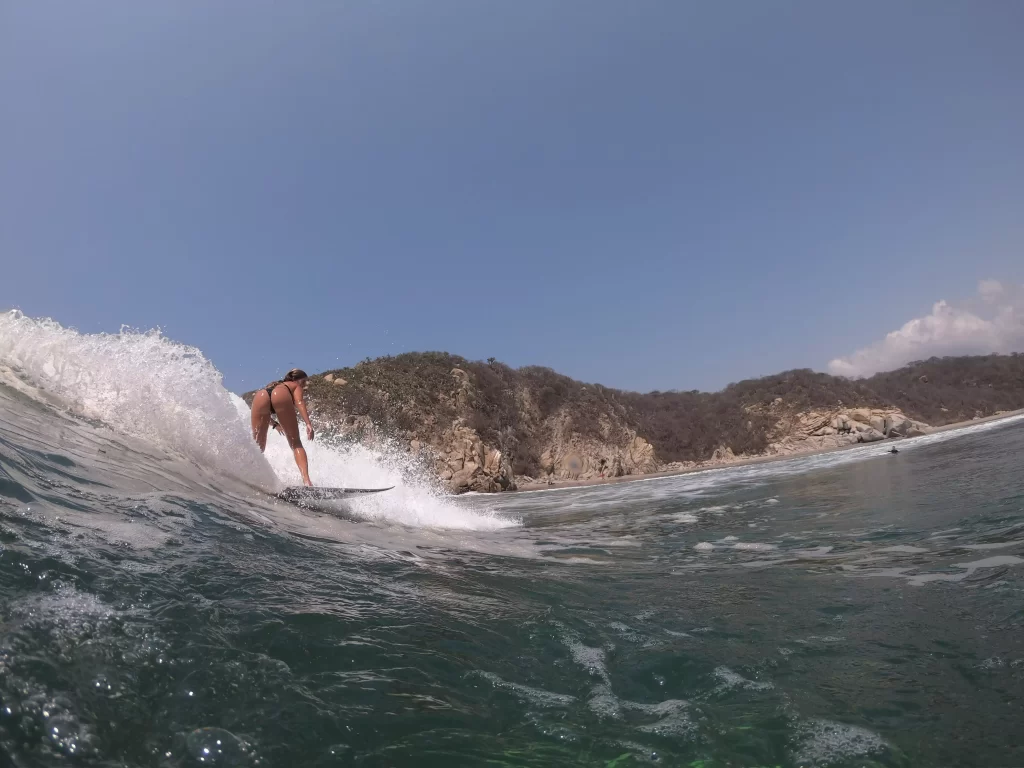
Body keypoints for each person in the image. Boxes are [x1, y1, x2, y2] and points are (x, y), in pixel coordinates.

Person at [251, 368, 315, 486]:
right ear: (297, 380)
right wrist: (308, 423)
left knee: (257, 445)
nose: (305, 385)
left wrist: (275, 424)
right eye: (304, 382)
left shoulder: (274, 384)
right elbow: (299, 402)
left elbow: (263, 414)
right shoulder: (295, 386)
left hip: (261, 395)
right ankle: (307, 482)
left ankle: (251, 474)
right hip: (281, 395)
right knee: (295, 442)